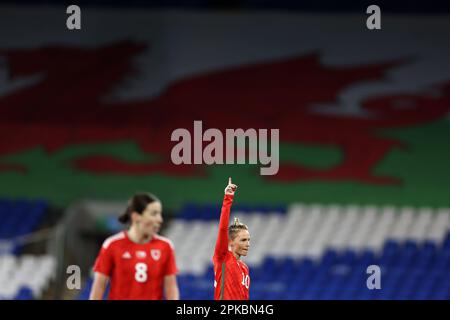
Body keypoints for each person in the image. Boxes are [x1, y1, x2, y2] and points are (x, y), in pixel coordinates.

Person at [89, 193, 179, 300]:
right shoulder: (112, 245)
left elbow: (171, 288)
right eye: (154, 214)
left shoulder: (165, 246)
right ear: (136, 216)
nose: (160, 220)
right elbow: (99, 286)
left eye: (160, 214)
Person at [213, 177, 251, 300]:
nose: (248, 244)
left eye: (248, 240)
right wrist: (228, 198)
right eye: (243, 240)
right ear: (231, 242)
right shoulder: (223, 257)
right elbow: (223, 229)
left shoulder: (244, 268)